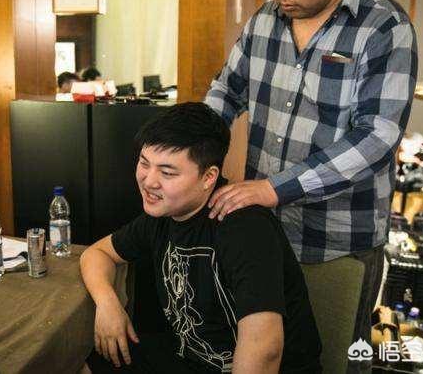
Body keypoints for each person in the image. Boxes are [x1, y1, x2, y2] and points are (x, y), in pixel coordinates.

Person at [204, 0, 417, 372]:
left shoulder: (383, 25)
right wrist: (192, 150)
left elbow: (376, 137)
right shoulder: (263, 21)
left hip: (338, 240)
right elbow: (226, 92)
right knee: (265, 355)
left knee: (334, 360)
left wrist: (274, 188)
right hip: (266, 234)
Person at [80, 102, 322, 374]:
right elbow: (96, 254)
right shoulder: (163, 213)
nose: (148, 181)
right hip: (191, 359)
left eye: (167, 172)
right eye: (144, 163)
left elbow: (265, 350)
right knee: (86, 362)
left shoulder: (245, 226)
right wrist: (108, 304)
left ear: (208, 177)